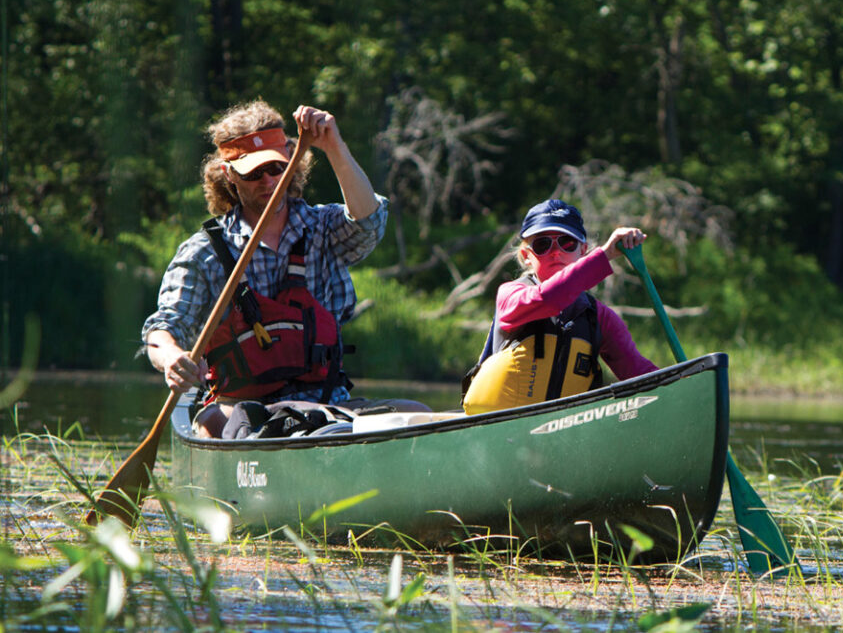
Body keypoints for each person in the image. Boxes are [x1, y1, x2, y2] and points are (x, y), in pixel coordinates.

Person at [141, 100, 427, 437]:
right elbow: (161, 330)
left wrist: (333, 144)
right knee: (213, 424)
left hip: (327, 406)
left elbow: (368, 223)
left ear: (290, 162)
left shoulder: (323, 227)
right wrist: (172, 356)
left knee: (418, 414)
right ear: (228, 174)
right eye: (253, 173)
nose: (268, 181)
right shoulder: (203, 252)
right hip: (242, 410)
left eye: (275, 168)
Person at [462, 199, 659, 414]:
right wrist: (605, 255)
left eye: (566, 243)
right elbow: (550, 299)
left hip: (566, 436)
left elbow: (640, 374)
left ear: (583, 250)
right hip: (499, 429)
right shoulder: (510, 295)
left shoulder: (600, 317)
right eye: (542, 244)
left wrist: (686, 381)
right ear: (527, 256)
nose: (556, 252)